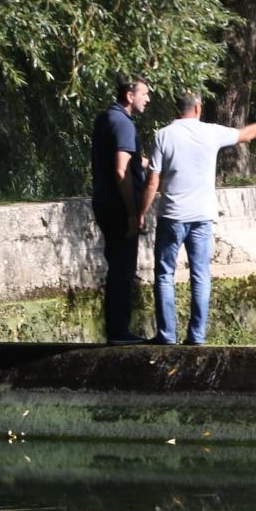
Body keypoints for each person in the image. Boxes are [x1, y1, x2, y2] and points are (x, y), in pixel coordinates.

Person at [138, 93, 256, 345]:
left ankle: (167, 335)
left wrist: (140, 213)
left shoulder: (164, 135)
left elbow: (153, 181)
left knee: (164, 274)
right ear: (198, 107)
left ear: (177, 108)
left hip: (172, 216)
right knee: (201, 274)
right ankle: (196, 336)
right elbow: (246, 135)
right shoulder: (210, 132)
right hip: (202, 216)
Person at [89, 73, 151, 344]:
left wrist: (152, 163)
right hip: (118, 207)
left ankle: (116, 330)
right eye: (144, 93)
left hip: (103, 202)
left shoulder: (106, 119)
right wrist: (132, 213)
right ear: (130, 95)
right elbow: (121, 170)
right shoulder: (124, 124)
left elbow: (126, 160)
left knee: (117, 265)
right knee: (123, 270)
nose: (147, 98)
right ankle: (119, 332)